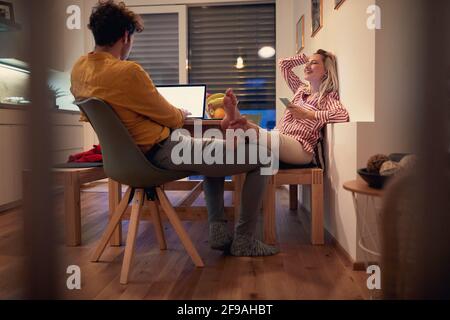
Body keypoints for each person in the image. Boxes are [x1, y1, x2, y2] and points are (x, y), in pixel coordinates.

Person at [70, 0, 279, 256]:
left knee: (215, 149)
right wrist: (181, 112)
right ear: (126, 36)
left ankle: (218, 231)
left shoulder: (79, 69)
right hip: (160, 154)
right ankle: (244, 240)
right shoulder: (127, 72)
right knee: (265, 156)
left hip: (121, 161)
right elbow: (171, 118)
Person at [223, 50, 350, 165]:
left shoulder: (327, 98)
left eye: (314, 63)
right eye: (308, 63)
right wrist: (305, 58)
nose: (307, 66)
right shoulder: (300, 90)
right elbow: (283, 64)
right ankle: (237, 121)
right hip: (279, 137)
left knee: (269, 137)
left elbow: (342, 115)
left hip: (301, 148)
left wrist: (307, 115)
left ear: (326, 71)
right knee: (266, 138)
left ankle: (240, 123)